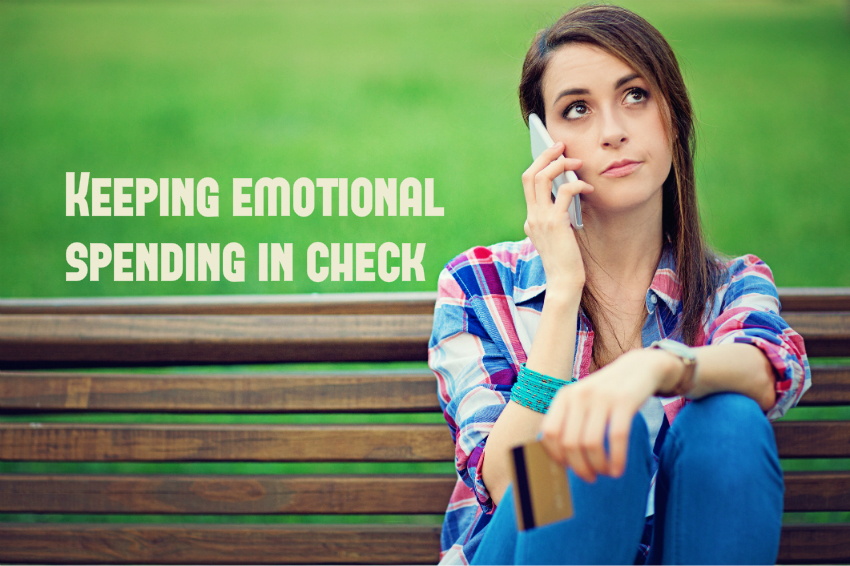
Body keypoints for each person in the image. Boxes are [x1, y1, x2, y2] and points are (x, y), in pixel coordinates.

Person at [428, 4, 812, 565]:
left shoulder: (729, 285)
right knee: (605, 436)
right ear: (544, 145)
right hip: (523, 548)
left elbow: (774, 366)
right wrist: (562, 291)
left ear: (672, 117)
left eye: (635, 96)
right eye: (577, 109)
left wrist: (656, 367)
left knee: (728, 418)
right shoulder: (478, 284)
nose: (612, 131)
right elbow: (508, 482)